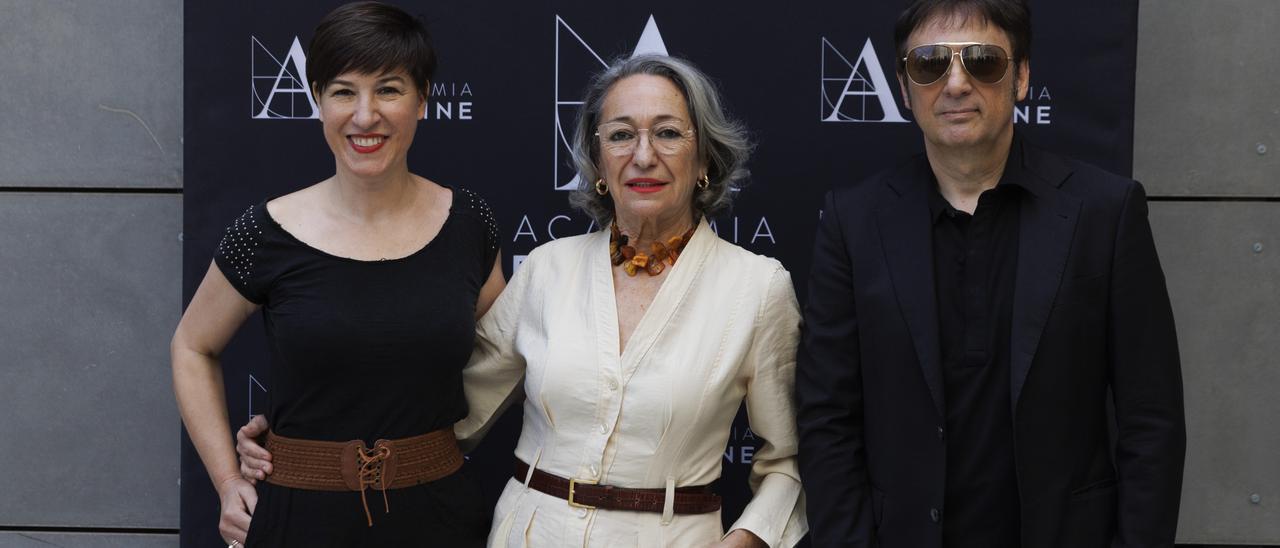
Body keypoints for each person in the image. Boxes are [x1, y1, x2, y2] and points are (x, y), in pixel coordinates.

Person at [240, 54, 807, 547]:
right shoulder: (546, 270)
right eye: (620, 135)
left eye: (668, 133)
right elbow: (450, 411)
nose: (642, 155)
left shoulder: (757, 289)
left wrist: (745, 542)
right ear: (599, 162)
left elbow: (788, 463)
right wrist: (304, 451)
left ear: (704, 157)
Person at [795, 1, 1186, 547]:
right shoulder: (854, 222)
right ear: (905, 89)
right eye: (930, 63)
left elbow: (1152, 420)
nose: (956, 83)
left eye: (983, 61)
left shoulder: (1106, 211)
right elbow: (827, 419)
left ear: (1021, 76)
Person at [171, 3, 502, 546]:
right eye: (344, 91)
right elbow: (191, 346)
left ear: (422, 100)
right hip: (295, 520)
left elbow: (508, 361)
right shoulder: (266, 230)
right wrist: (229, 482)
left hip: (440, 517)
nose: (365, 115)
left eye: (389, 90)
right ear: (318, 100)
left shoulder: (469, 224)